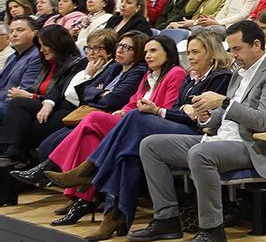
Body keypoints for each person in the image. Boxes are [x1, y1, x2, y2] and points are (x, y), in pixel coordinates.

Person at [131, 20, 266, 242]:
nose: (233, 55)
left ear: (256, 44)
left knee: (200, 154)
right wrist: (205, 115)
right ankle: (166, 219)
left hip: (253, 145)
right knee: (151, 145)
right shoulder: (239, 73)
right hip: (222, 138)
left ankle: (212, 230)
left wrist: (223, 102)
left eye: (237, 49)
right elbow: (222, 116)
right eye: (231, 49)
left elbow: (264, 120)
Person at [55, 33, 235, 241]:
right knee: (128, 155)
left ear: (211, 54)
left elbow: (199, 118)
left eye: (196, 52)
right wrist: (180, 110)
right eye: (189, 52)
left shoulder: (220, 77)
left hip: (199, 134)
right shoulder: (190, 77)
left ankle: (93, 170)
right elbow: (180, 110)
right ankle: (115, 215)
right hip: (179, 125)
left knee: (135, 117)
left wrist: (161, 111)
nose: (191, 57)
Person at [44, 35, 186, 222]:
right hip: (132, 121)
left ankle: (64, 169)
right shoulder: (149, 74)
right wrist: (122, 111)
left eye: (153, 51)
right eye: (146, 52)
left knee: (93, 118)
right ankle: (82, 200)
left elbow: (167, 107)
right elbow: (132, 101)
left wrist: (136, 110)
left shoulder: (175, 73)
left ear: (168, 53)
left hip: (150, 124)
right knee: (91, 136)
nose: (148, 56)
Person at [0, 25, 84, 167]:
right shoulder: (47, 64)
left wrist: (31, 97)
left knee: (17, 107)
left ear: (57, 44)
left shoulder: (75, 64)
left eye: (45, 45)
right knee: (14, 118)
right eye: (40, 46)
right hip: (40, 107)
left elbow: (61, 95)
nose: (41, 50)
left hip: (58, 109)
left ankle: (15, 153)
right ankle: (13, 156)